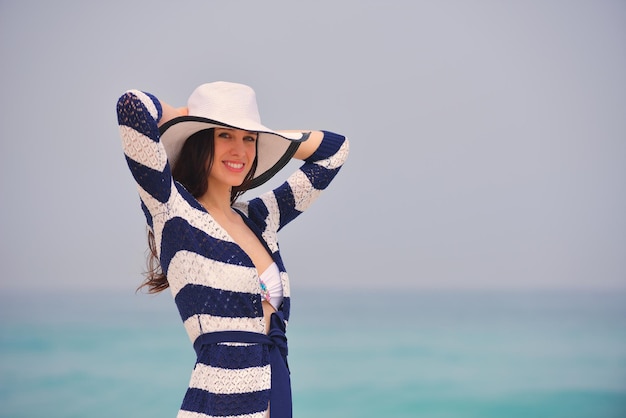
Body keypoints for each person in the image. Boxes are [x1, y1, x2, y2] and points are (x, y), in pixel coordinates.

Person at [116, 81, 349, 418]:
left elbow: (334, 152)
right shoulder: (173, 211)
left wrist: (270, 138)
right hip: (217, 407)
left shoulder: (261, 219)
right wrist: (187, 115)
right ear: (200, 138)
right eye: (225, 135)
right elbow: (131, 106)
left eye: (248, 139)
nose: (240, 150)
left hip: (275, 399)